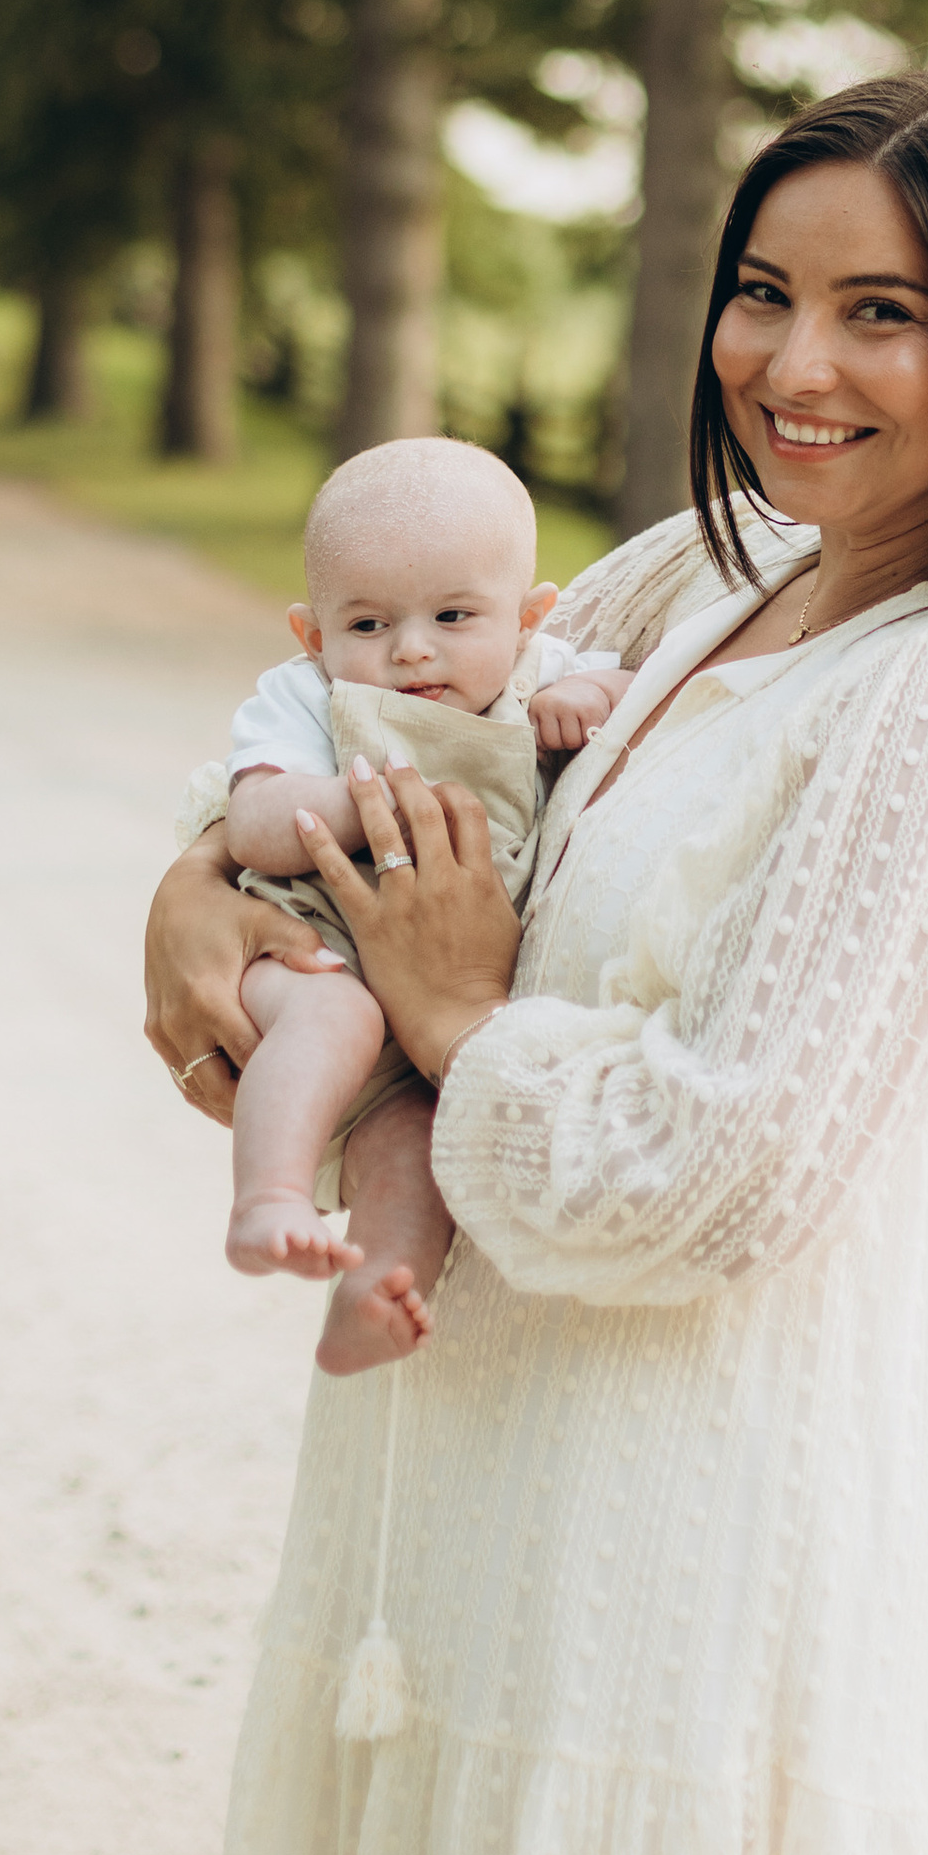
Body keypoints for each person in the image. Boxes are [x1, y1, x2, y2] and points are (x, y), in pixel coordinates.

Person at [143, 71, 928, 1855]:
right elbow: (368, 745)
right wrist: (191, 896)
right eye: (762, 291)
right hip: (502, 1538)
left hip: (700, 1586)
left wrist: (451, 1022)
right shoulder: (689, 580)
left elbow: (722, 1183)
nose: (792, 364)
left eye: (883, 313)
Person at [183, 435, 629, 1374]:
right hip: (313, 958)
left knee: (426, 1133)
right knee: (337, 1015)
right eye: (369, 624)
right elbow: (253, 822)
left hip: (431, 1022)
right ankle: (268, 1198)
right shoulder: (303, 698)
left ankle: (374, 1289)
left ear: (529, 617)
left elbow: (646, 699)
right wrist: (358, 801)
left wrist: (594, 692)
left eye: (453, 616)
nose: (412, 648)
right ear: (313, 636)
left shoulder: (545, 670)